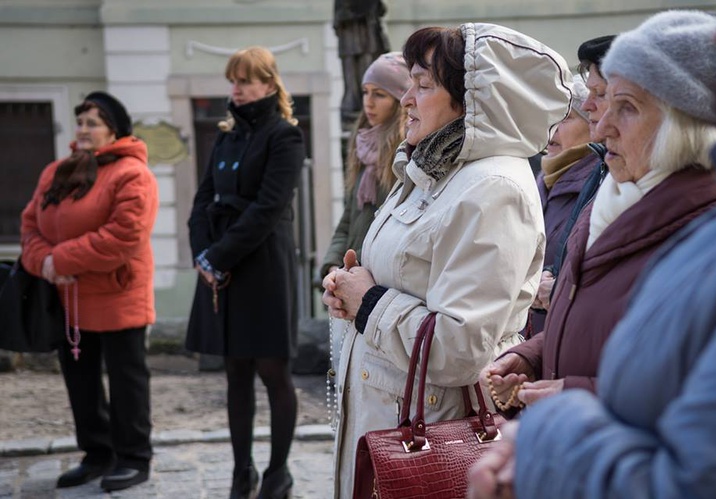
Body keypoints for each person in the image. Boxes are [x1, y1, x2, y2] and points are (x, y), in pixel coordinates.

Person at [469, 5, 716, 498]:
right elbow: (625, 327)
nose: (600, 128)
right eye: (603, 102)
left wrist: (557, 421)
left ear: (686, 123)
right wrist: (538, 355)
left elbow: (699, 456)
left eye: (627, 106)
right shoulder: (614, 196)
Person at [322, 23, 571, 498]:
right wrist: (351, 289)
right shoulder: (431, 168)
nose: (406, 99)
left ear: (473, 98)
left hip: (433, 430)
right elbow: (401, 280)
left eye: (423, 85)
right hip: (387, 412)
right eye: (408, 83)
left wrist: (369, 302)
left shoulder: (493, 188)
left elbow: (460, 347)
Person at [20, 91, 158, 492]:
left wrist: (59, 261)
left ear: (113, 130)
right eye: (80, 121)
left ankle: (134, 457)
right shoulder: (57, 172)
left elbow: (124, 235)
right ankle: (97, 453)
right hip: (67, 298)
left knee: (126, 380)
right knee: (80, 380)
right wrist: (43, 261)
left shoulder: (133, 174)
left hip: (118, 296)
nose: (82, 130)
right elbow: (30, 225)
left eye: (92, 123)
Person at [185, 46, 305, 499]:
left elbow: (269, 208)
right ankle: (242, 472)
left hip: (264, 266)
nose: (235, 88)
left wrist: (220, 257)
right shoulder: (226, 135)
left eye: (244, 80)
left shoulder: (285, 136)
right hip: (221, 264)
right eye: (232, 80)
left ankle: (278, 472)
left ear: (268, 85)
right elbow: (202, 200)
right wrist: (204, 256)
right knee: (234, 372)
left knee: (273, 370)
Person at [319, 52, 409, 395]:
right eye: (366, 92)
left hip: (380, 289)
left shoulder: (404, 154)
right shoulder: (361, 146)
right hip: (347, 281)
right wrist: (330, 266)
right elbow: (348, 218)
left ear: (400, 101)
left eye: (380, 94)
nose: (368, 102)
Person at [531, 35, 615, 334]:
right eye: (548, 119)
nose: (550, 131)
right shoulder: (540, 181)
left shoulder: (603, 181)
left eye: (564, 119)